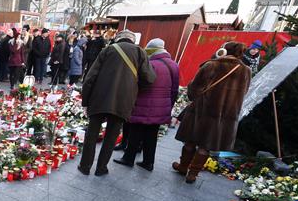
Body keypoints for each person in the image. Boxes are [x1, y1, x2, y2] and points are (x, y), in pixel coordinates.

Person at [78, 30, 156, 176]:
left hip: (99, 98)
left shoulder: (107, 50)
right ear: (132, 40)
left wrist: (85, 101)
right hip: (123, 100)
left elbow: (90, 77)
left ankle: (85, 166)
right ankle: (101, 168)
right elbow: (150, 78)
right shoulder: (140, 52)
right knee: (111, 135)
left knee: (92, 133)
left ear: (118, 39)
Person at [173, 41, 251, 184]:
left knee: (190, 141)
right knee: (205, 146)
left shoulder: (211, 65)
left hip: (201, 111)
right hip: (224, 116)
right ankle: (193, 174)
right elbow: (243, 93)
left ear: (224, 51)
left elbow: (194, 88)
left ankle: (183, 167)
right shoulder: (246, 71)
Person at [113, 38, 179, 171]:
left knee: (135, 131)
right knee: (152, 134)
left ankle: (128, 158)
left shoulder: (150, 63)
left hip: (143, 104)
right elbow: (175, 89)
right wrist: (168, 106)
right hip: (162, 106)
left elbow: (139, 83)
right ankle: (148, 162)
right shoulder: (173, 65)